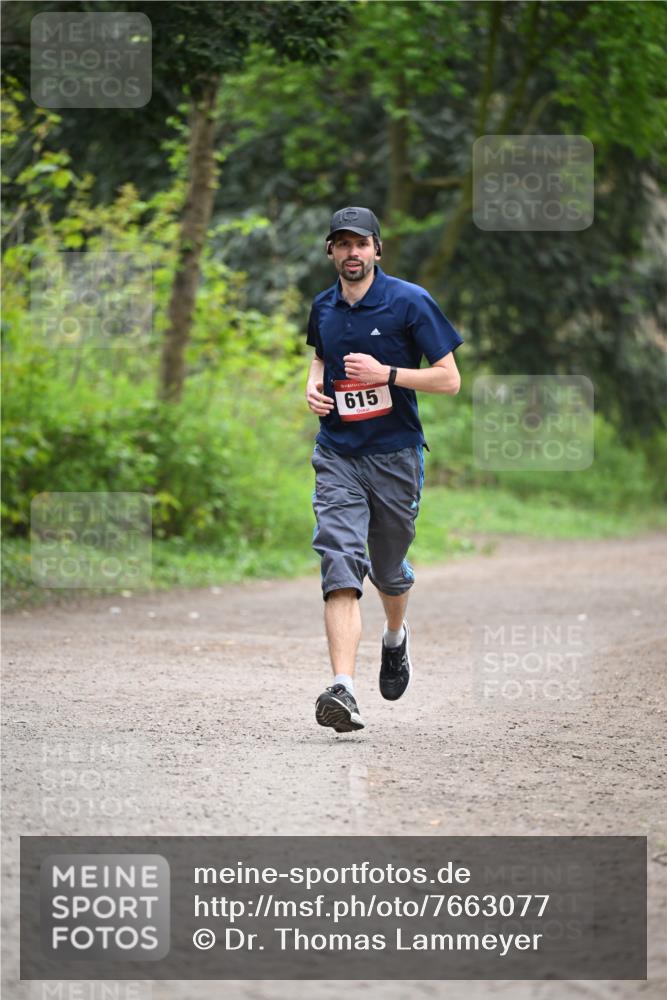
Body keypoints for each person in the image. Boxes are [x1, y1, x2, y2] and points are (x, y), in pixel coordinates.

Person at [305, 206, 463, 734]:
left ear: (377, 250)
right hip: (338, 453)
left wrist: (388, 374)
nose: (352, 253)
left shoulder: (410, 302)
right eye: (342, 244)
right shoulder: (323, 307)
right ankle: (343, 689)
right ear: (330, 251)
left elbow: (449, 380)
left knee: (388, 569)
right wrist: (313, 384)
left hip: (395, 456)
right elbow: (322, 357)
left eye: (361, 244)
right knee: (339, 561)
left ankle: (395, 638)